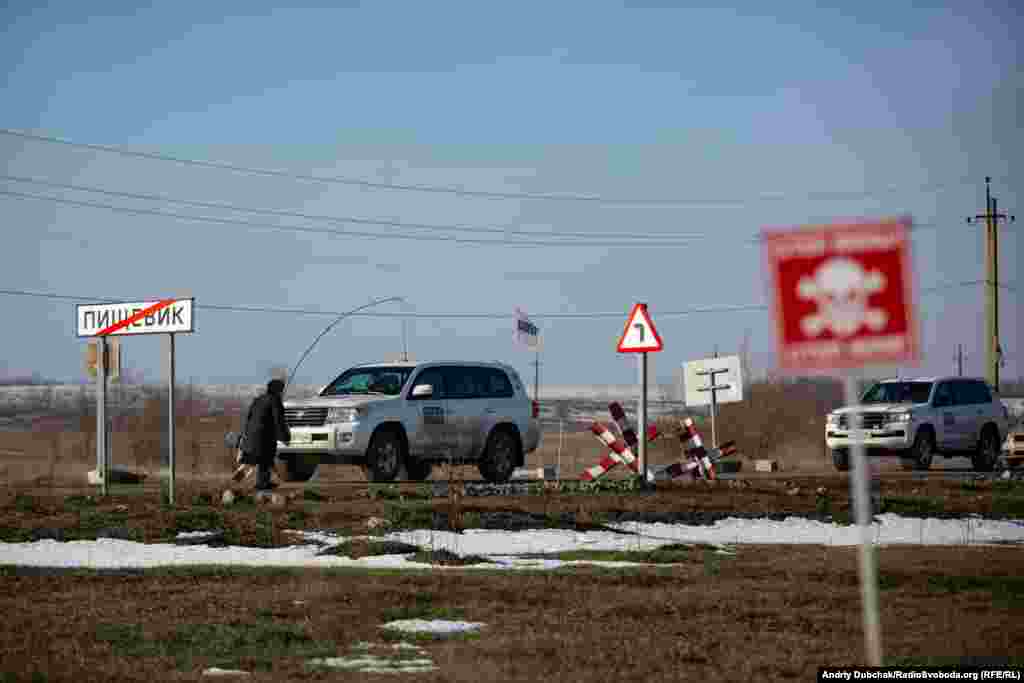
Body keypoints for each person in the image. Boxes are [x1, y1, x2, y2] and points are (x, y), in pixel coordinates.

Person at [239, 378, 291, 490]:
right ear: (279, 390)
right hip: (264, 437)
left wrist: (246, 435)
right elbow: (279, 421)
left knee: (256, 458)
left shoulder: (257, 399)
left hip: (250, 435)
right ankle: (262, 484)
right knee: (266, 458)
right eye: (282, 390)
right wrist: (285, 437)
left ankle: (245, 473)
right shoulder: (275, 401)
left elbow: (249, 418)